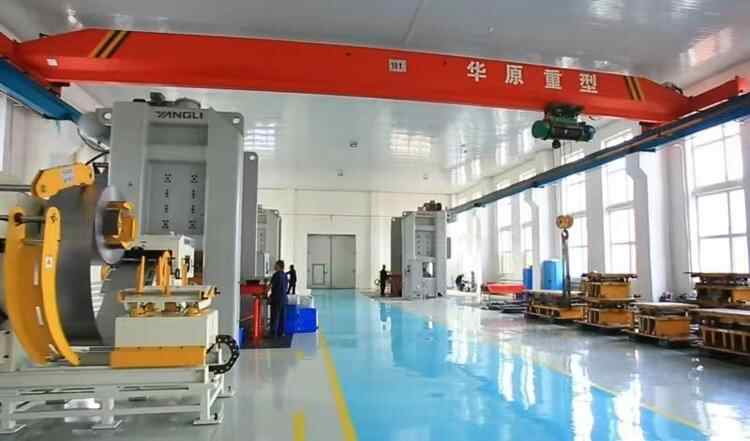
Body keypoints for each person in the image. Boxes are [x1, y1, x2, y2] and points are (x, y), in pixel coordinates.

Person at [268, 260, 288, 338]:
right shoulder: (285, 275)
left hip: (276, 299)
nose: (274, 266)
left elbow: (270, 286)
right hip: (284, 299)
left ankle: (272, 334)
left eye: (275, 265)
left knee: (274, 316)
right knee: (282, 317)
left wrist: (265, 293)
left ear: (279, 266)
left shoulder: (276, 275)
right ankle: (281, 333)